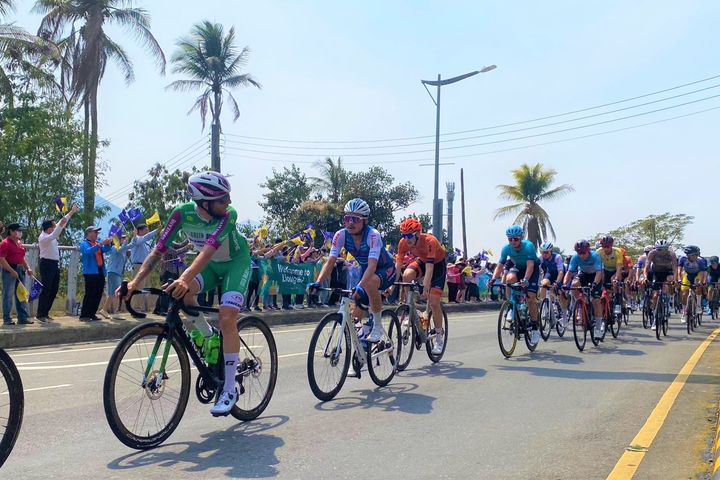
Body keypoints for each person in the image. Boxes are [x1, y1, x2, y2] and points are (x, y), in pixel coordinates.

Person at [121, 171, 251, 417]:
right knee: (183, 295)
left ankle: (229, 388)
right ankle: (206, 335)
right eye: (223, 199)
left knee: (226, 318)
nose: (230, 203)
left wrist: (184, 277)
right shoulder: (182, 214)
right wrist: (134, 282)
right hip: (211, 267)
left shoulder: (229, 215)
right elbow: (158, 251)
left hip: (236, 262)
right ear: (205, 202)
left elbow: (207, 252)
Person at [308, 198, 396, 343]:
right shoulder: (340, 235)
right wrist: (318, 282)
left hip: (385, 269)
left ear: (365, 220)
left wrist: (361, 286)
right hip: (366, 270)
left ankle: (377, 326)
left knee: (369, 284)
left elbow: (373, 266)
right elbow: (330, 262)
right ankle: (360, 349)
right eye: (347, 218)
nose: (350, 223)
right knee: (356, 314)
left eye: (355, 219)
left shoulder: (373, 235)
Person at [388, 217, 447, 354]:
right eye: (404, 235)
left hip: (437, 265)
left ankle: (438, 338)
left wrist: (425, 289)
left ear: (418, 234)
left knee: (433, 302)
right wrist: (391, 286)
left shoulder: (430, 241)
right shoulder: (403, 243)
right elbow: (398, 267)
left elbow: (430, 269)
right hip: (422, 261)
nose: (406, 239)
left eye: (409, 235)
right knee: (407, 275)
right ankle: (410, 307)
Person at [487, 225, 541, 343]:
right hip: (518, 268)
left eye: (515, 239)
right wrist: (493, 279)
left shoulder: (528, 246)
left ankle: (535, 328)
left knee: (530, 298)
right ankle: (512, 306)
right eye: (510, 239)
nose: (512, 241)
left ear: (520, 238)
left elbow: (530, 265)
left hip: (531, 270)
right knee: (509, 278)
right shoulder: (506, 248)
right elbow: (500, 266)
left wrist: (526, 279)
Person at [36, 204, 79, 322]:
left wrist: (71, 212)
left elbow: (62, 221)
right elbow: (57, 231)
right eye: (54, 225)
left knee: (53, 289)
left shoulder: (51, 236)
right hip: (46, 264)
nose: (56, 226)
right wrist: (61, 224)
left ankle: (46, 313)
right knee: (46, 289)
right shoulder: (43, 237)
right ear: (49, 227)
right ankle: (40, 314)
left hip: (54, 264)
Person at [563, 239, 605, 338]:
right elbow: (569, 273)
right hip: (584, 274)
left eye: (583, 252)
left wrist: (594, 284)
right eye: (579, 252)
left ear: (588, 250)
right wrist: (565, 284)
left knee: (596, 301)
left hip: (596, 275)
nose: (581, 255)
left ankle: (598, 328)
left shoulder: (595, 256)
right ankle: (580, 305)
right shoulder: (575, 257)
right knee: (574, 284)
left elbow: (599, 272)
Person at [0, 223, 33, 325]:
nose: (20, 233)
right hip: (9, 270)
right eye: (18, 231)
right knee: (8, 295)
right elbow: (2, 259)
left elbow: (22, 257)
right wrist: (11, 271)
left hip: (19, 269)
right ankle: (7, 318)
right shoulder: (5, 243)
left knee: (21, 294)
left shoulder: (19, 243)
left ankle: (22, 317)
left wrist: (27, 267)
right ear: (12, 231)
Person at [79, 226, 113, 321]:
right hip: (90, 272)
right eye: (95, 232)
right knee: (90, 293)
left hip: (100, 271)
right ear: (89, 233)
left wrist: (108, 244)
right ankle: (84, 315)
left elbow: (106, 250)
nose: (97, 234)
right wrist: (99, 245)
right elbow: (88, 251)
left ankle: (92, 313)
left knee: (98, 293)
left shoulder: (97, 243)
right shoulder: (84, 243)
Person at [643, 239, 678, 329]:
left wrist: (675, 279)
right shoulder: (652, 253)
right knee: (655, 296)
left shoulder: (671, 254)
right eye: (659, 249)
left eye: (664, 249)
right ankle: (655, 317)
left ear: (667, 249)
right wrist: (646, 277)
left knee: (668, 282)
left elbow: (674, 268)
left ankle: (668, 301)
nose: (662, 252)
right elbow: (646, 267)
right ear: (656, 249)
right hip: (656, 272)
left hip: (667, 271)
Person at [127, 223, 159, 312]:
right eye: (146, 230)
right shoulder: (136, 239)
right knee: (138, 287)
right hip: (138, 266)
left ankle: (143, 307)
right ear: (139, 231)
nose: (147, 232)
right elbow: (146, 237)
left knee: (145, 287)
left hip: (146, 266)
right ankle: (136, 308)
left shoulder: (147, 242)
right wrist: (156, 231)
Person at [538, 242, 568, 326]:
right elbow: (536, 270)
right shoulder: (540, 258)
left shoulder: (557, 257)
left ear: (551, 251)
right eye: (542, 252)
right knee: (543, 284)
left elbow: (561, 272)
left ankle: (565, 316)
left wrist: (557, 282)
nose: (544, 254)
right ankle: (544, 308)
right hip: (550, 274)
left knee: (561, 294)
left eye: (546, 252)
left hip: (560, 274)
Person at [677, 245, 707, 321]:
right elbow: (679, 270)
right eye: (694, 255)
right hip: (687, 274)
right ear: (688, 255)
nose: (696, 256)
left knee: (698, 287)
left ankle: (698, 305)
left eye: (697, 255)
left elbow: (703, 272)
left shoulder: (700, 260)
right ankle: (684, 312)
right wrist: (679, 279)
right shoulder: (682, 259)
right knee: (684, 293)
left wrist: (701, 282)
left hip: (697, 274)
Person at [103, 234, 131, 317]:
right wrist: (126, 241)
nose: (124, 239)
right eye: (122, 238)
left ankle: (104, 310)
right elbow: (120, 249)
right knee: (118, 292)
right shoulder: (114, 247)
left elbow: (132, 245)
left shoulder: (123, 249)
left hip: (117, 273)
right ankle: (116, 312)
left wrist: (134, 236)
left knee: (112, 293)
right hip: (113, 272)